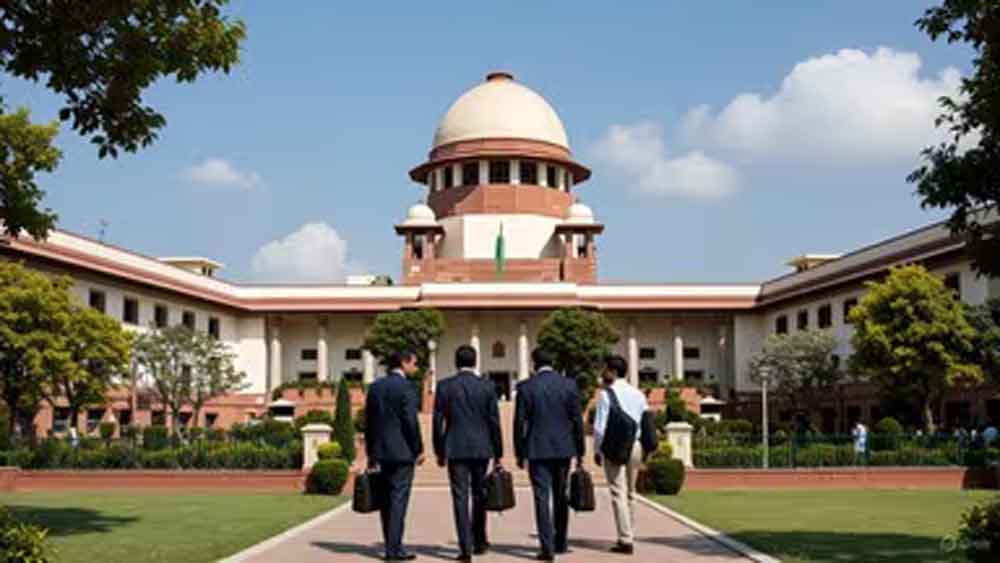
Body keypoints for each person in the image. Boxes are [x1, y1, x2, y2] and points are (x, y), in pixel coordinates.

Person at [514, 348, 585, 561]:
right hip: (563, 447)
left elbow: (519, 423)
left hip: (537, 448)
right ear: (553, 362)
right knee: (561, 494)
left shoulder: (526, 387)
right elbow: (577, 421)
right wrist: (580, 450)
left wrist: (520, 452)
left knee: (541, 497)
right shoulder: (568, 385)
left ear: (534, 363)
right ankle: (561, 541)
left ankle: (547, 548)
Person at [433, 345, 503, 561]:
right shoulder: (487, 386)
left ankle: (465, 547)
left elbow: (437, 421)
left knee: (460, 497)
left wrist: (439, 450)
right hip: (482, 447)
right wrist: (498, 452)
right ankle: (479, 541)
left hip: (455, 446)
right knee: (480, 494)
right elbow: (494, 421)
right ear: (475, 361)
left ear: (456, 362)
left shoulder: (445, 386)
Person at [365, 349, 425, 562]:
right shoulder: (407, 387)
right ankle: (394, 549)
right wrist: (418, 448)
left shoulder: (375, 387)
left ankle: (391, 544)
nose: (415, 367)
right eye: (414, 363)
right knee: (399, 499)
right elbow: (410, 421)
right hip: (402, 452)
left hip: (381, 451)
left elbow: (369, 423)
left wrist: (370, 453)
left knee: (386, 500)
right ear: (404, 362)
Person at [593, 355, 648, 555]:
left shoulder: (606, 395)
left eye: (605, 369)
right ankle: (629, 533)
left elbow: (600, 428)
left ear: (613, 372)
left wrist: (597, 450)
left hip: (615, 446)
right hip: (635, 445)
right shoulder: (638, 394)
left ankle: (625, 539)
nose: (603, 373)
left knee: (618, 492)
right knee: (631, 492)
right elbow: (646, 423)